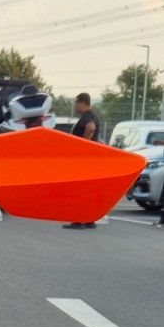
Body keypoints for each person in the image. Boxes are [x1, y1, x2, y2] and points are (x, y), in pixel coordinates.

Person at [63, 92, 101, 229]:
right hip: (90, 160)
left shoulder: (87, 116)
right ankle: (90, 219)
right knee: (87, 191)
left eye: (76, 103)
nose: (75, 106)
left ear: (82, 102)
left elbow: (91, 128)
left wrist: (83, 146)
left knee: (78, 190)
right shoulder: (94, 115)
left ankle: (78, 220)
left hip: (83, 160)